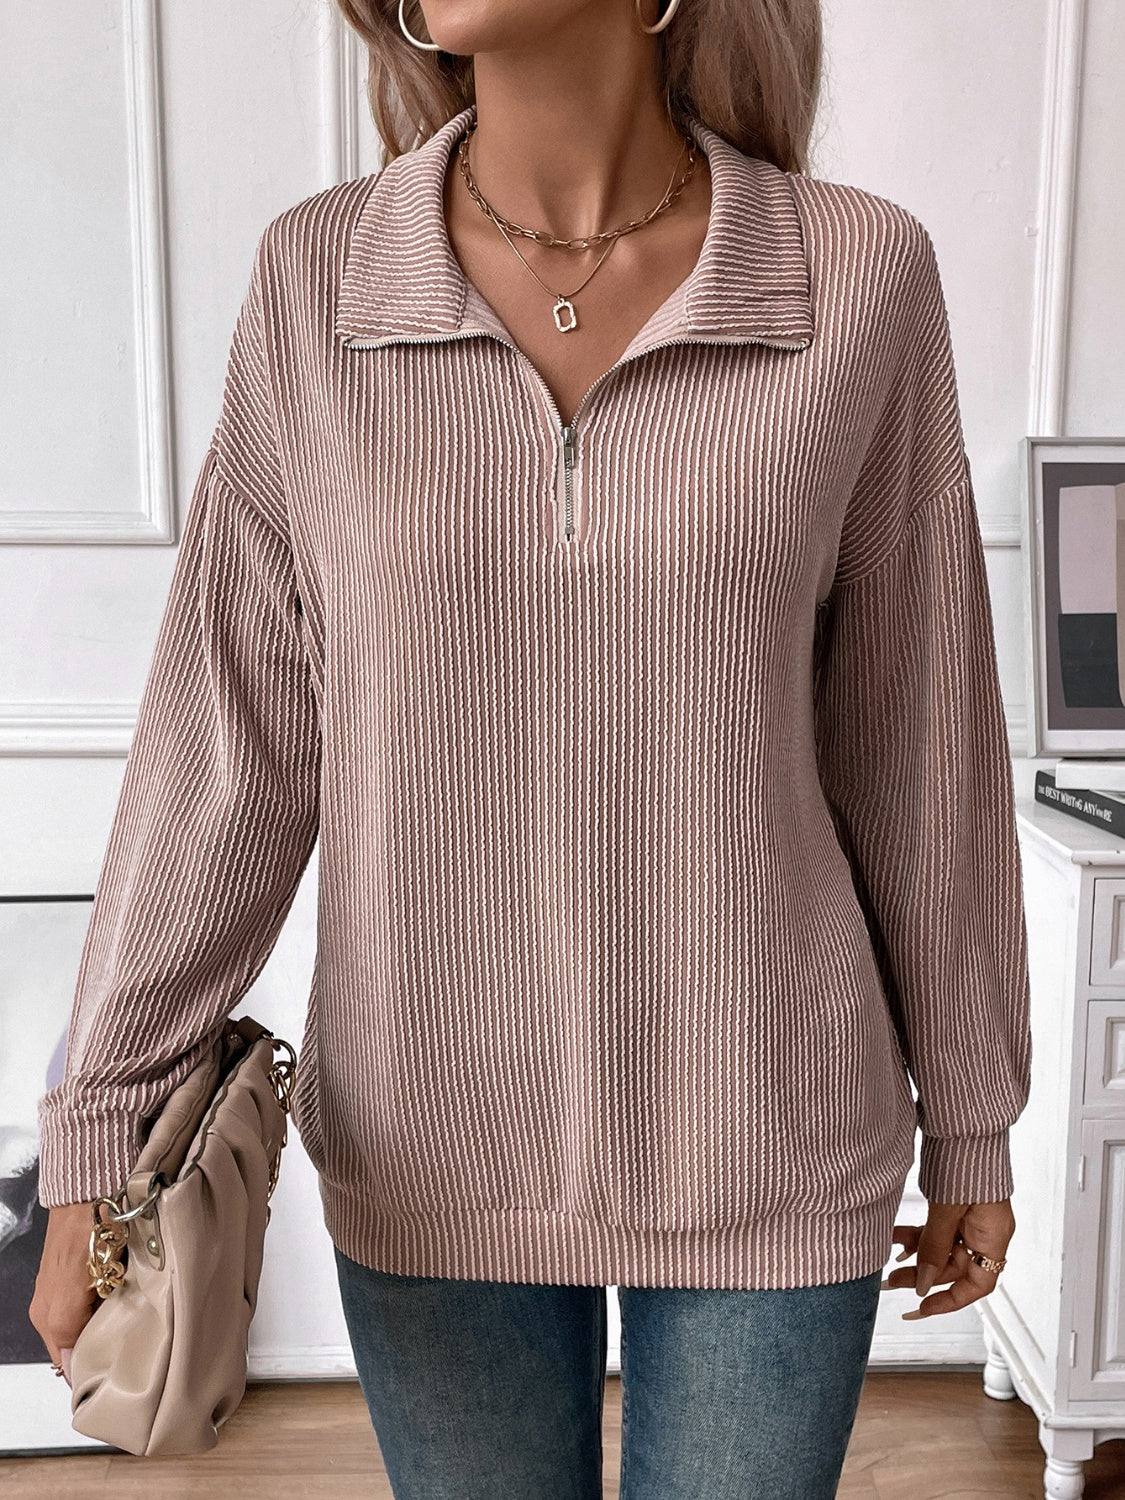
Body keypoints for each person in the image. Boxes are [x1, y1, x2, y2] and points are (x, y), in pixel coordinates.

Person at [30, 0, 1032, 1494]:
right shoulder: (320, 278)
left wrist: (972, 1119)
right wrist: (99, 1136)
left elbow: (919, 741)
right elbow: (226, 747)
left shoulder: (855, 274)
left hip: (773, 1122)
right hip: (433, 1124)